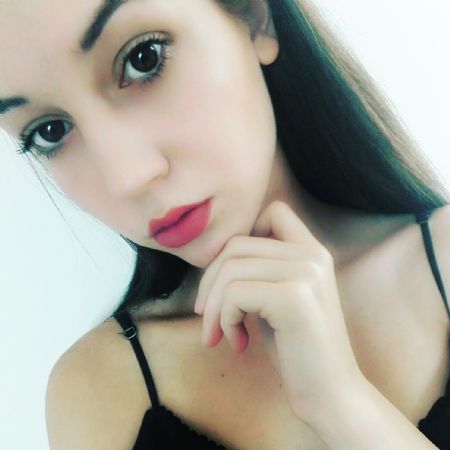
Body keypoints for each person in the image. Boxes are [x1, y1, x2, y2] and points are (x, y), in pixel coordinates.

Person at [1, 0, 449, 448]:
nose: (127, 177)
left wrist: (339, 404)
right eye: (49, 131)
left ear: (255, 16)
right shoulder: (100, 388)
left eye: (143, 58)